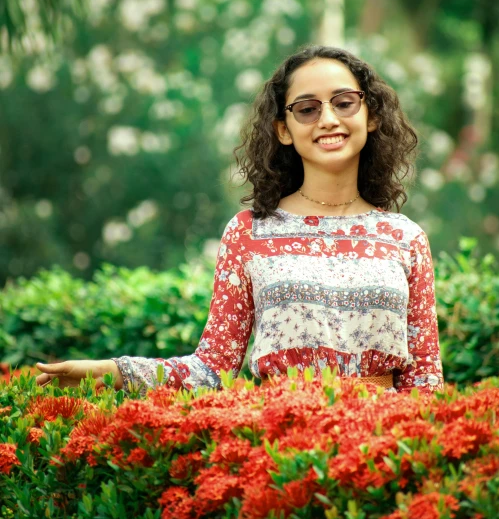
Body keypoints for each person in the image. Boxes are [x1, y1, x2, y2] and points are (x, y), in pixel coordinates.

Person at [36, 45, 444, 396]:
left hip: (379, 452)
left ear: (370, 116)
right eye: (307, 108)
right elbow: (212, 370)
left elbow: (424, 383)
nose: (328, 119)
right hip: (282, 446)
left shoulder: (404, 238)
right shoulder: (250, 232)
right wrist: (114, 372)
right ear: (283, 130)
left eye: (344, 102)